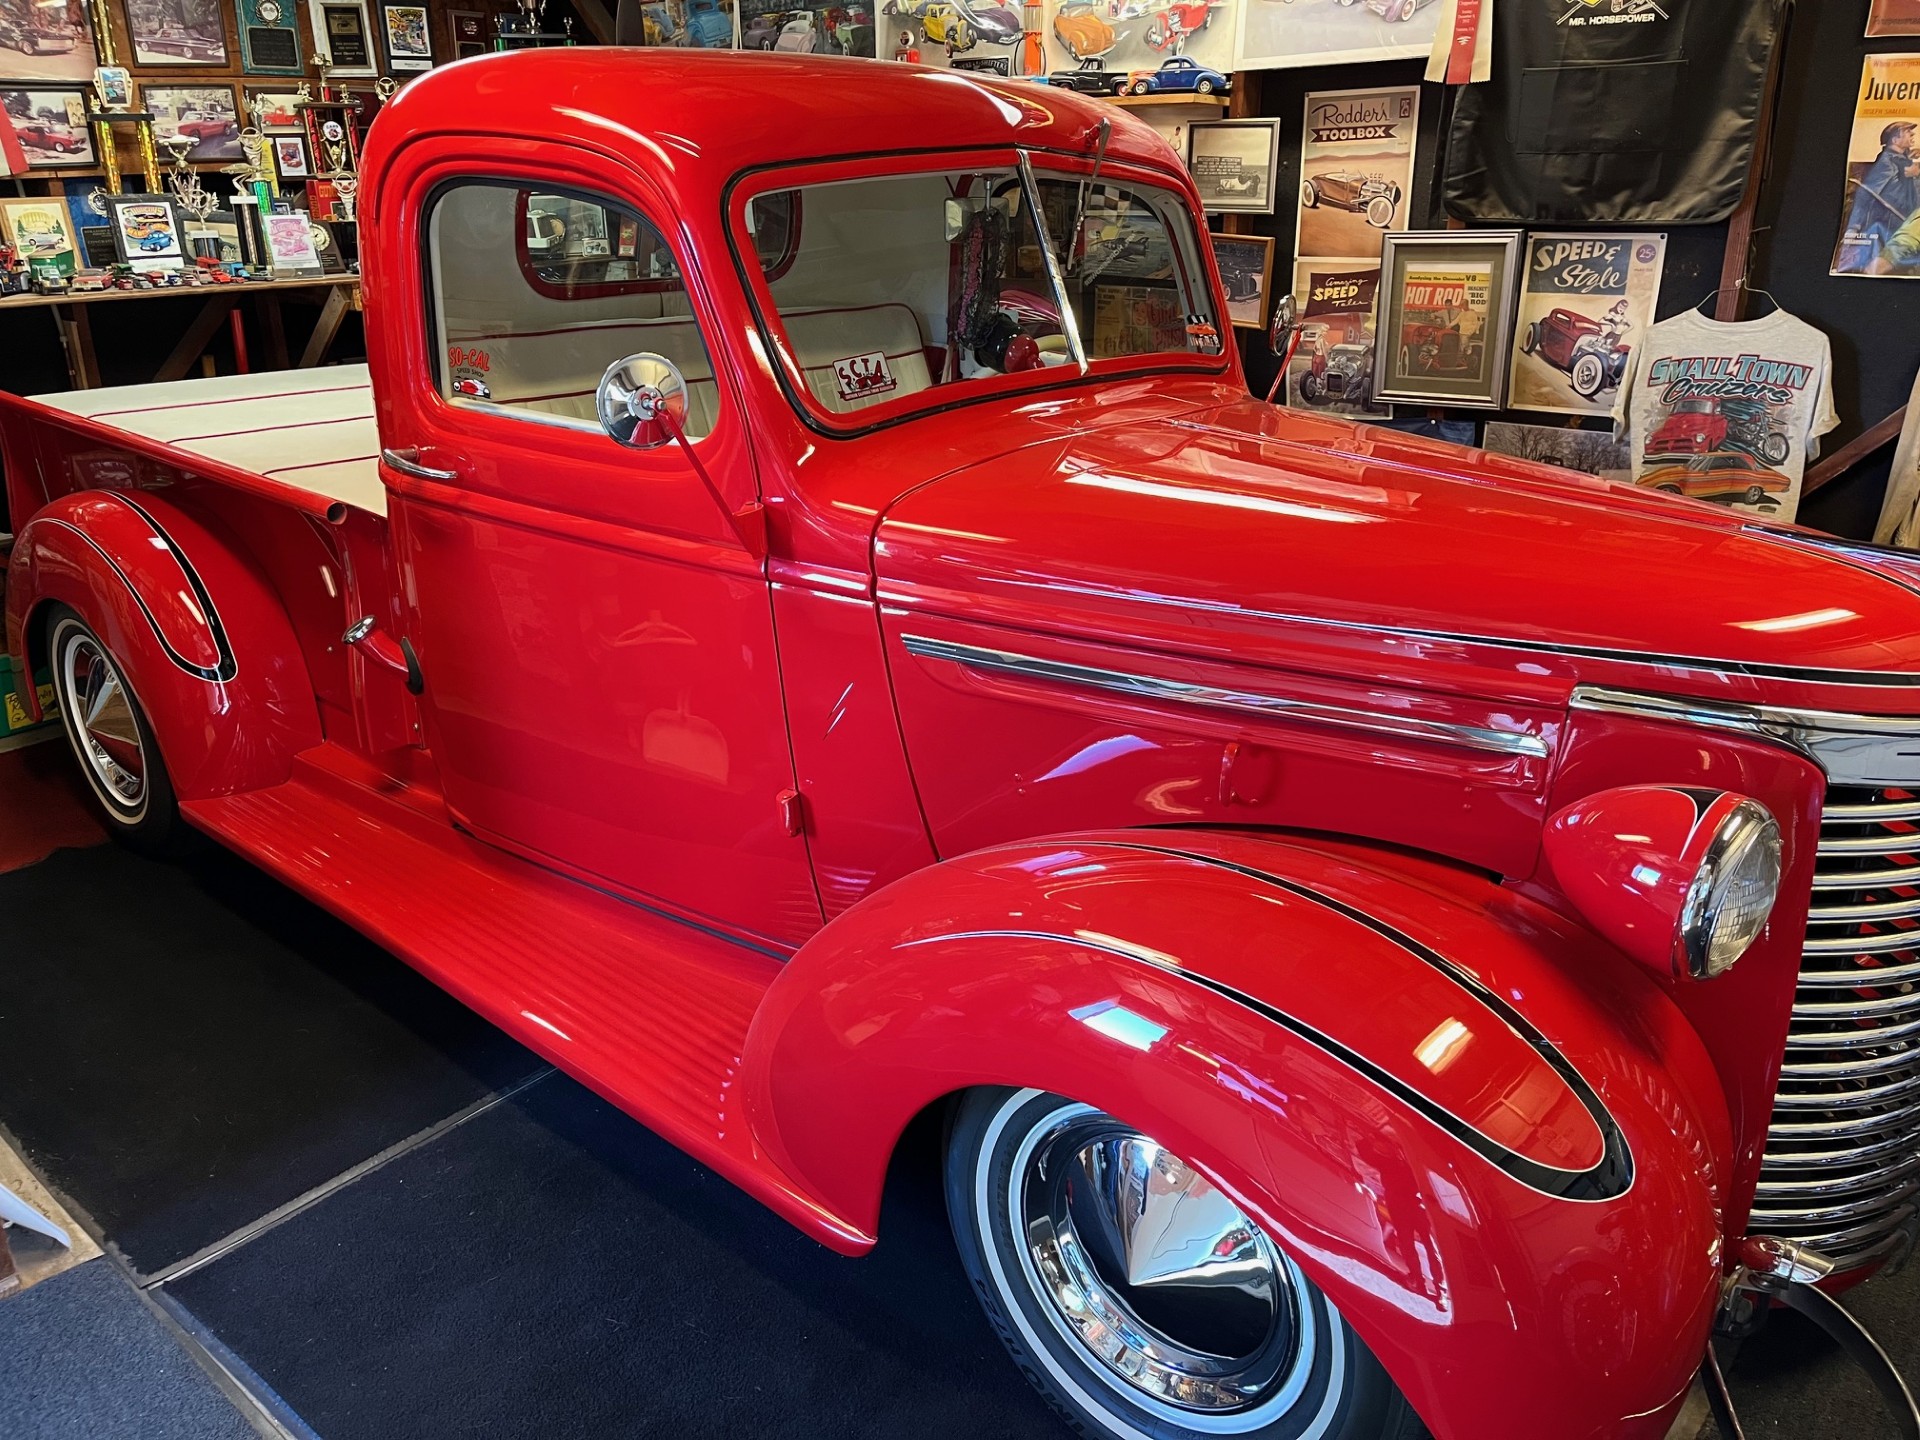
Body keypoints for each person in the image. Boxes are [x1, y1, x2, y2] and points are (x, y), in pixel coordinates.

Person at [1845, 120, 1920, 247]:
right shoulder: (1886, 162)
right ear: (1895, 140)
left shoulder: (1901, 159)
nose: (1912, 134)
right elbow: (1867, 194)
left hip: (1908, 221)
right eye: (1908, 133)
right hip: (1892, 224)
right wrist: (1853, 227)